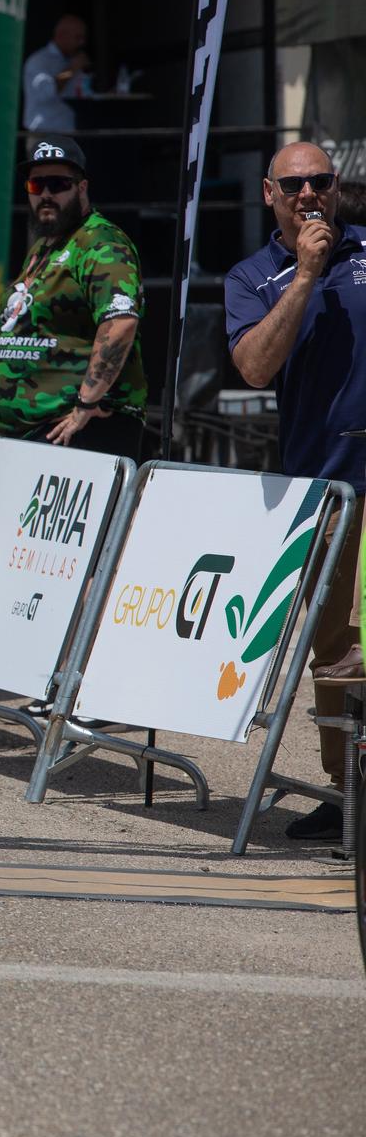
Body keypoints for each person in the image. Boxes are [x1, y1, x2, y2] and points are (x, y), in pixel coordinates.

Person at [223, 142, 366, 841]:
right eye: (295, 184)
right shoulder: (254, 276)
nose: (310, 193)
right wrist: (306, 274)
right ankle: (349, 793)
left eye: (321, 181)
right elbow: (252, 366)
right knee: (337, 649)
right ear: (269, 193)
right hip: (328, 488)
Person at [0, 134, 145, 459]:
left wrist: (86, 402)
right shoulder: (45, 247)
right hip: (33, 434)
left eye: (58, 184)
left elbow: (121, 323)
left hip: (78, 432)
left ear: (81, 187)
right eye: (36, 186)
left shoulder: (100, 243)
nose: (46, 194)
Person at [22, 14, 93, 132]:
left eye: (83, 38)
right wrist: (71, 69)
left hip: (69, 133)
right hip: (44, 135)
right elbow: (50, 89)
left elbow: (80, 93)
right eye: (78, 37)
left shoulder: (72, 60)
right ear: (61, 35)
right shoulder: (40, 61)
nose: (81, 43)